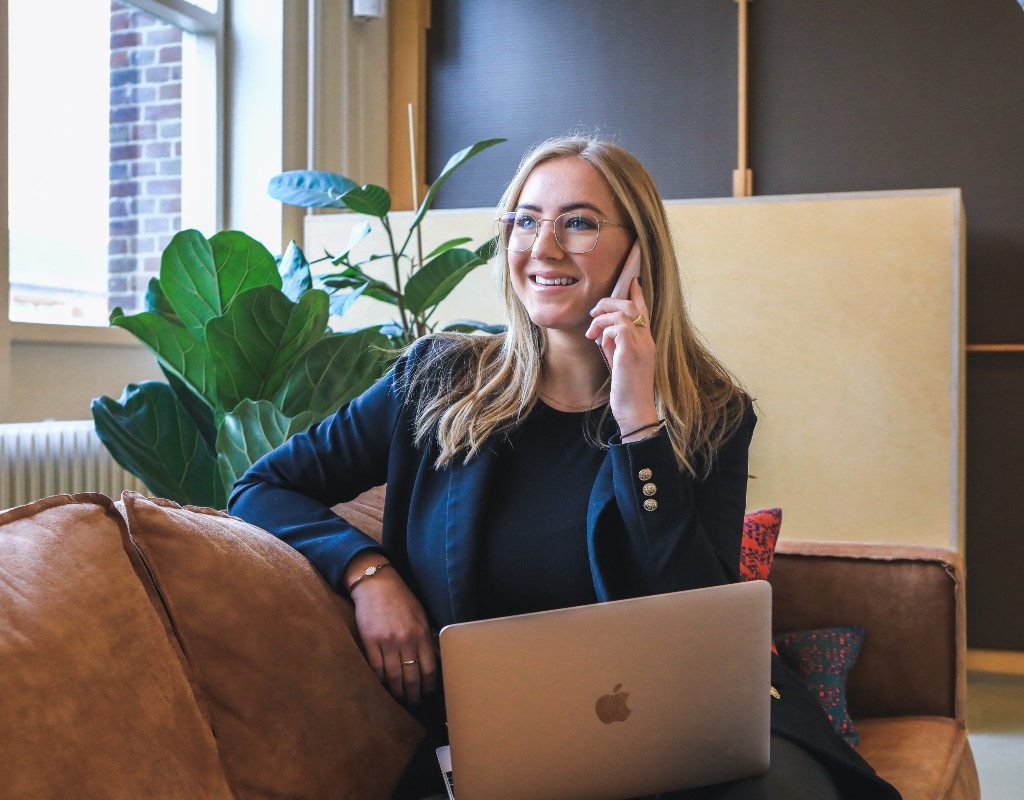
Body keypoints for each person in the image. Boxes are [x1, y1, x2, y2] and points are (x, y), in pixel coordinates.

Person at [228, 136, 901, 800]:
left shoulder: (711, 413)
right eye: (525, 220)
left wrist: (640, 424)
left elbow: (698, 618)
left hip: (682, 731)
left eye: (577, 223)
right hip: (505, 745)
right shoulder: (435, 381)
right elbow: (260, 486)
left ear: (640, 252)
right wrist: (367, 573)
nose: (542, 247)